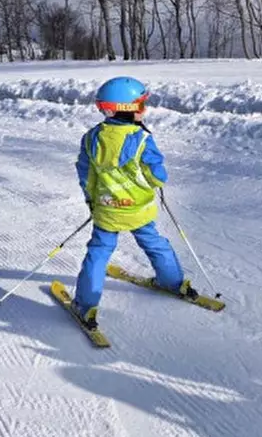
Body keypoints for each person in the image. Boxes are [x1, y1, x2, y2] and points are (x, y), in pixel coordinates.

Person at [70, 76, 197, 330]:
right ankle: (172, 282)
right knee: (154, 242)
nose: (144, 110)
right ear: (127, 109)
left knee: (98, 252)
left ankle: (86, 305)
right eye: (140, 105)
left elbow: (87, 175)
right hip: (139, 209)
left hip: (107, 210)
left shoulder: (91, 139)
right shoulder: (141, 139)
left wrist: (91, 200)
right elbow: (156, 176)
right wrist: (156, 178)